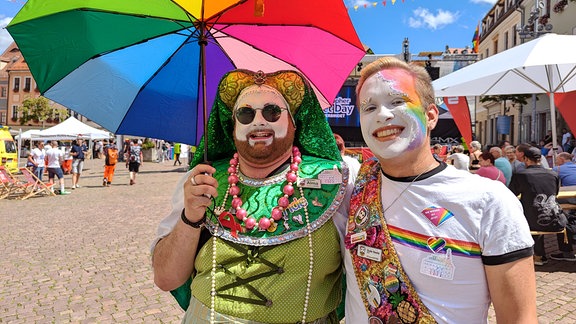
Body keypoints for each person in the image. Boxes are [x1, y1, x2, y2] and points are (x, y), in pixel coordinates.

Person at [151, 69, 354, 323]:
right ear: (233, 125)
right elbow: (165, 278)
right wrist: (190, 218)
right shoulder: (204, 180)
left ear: (294, 121)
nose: (259, 121)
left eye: (272, 112)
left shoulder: (335, 181)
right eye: (246, 114)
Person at [348, 56, 536, 323]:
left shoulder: (490, 202)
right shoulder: (354, 186)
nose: (382, 115)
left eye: (398, 101)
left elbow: (519, 318)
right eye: (369, 108)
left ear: (431, 115)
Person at [509, 146, 573, 265]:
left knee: (531, 211)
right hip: (556, 218)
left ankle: (538, 255)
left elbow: (512, 193)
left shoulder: (521, 174)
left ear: (526, 159)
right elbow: (556, 193)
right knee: (561, 216)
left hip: (533, 218)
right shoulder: (553, 174)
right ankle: (567, 252)